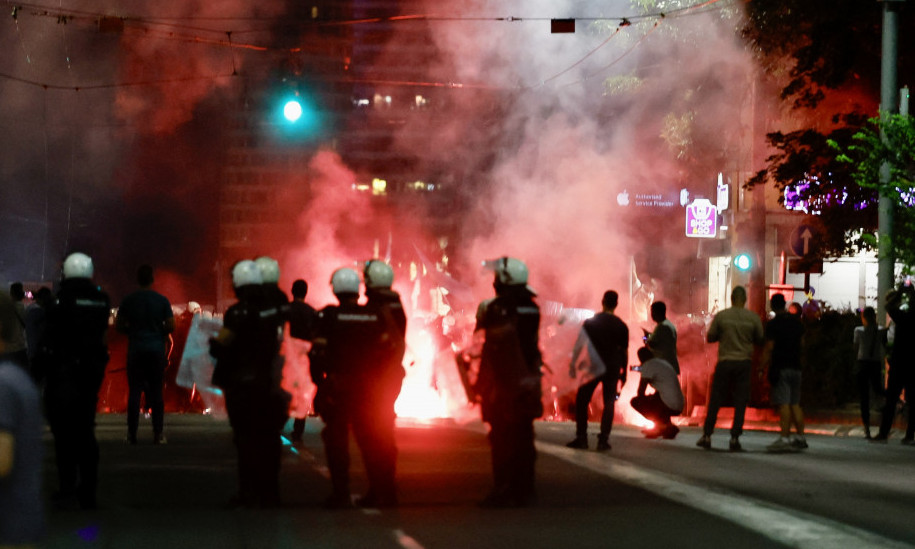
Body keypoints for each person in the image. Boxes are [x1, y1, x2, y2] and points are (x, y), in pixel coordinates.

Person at [209, 260, 289, 508]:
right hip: (271, 384)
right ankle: (272, 493)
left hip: (243, 386)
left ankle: (248, 492)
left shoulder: (236, 313)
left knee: (245, 441)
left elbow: (223, 345)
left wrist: (213, 344)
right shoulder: (275, 311)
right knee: (270, 439)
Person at [37, 252, 110, 509]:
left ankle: (67, 485)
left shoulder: (61, 301)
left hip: (64, 373)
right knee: (86, 430)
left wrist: (40, 373)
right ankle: (88, 489)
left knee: (63, 432)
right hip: (91, 372)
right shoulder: (102, 300)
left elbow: (50, 339)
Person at [309, 268, 387, 509]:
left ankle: (340, 493)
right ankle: (379, 491)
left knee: (337, 442)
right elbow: (385, 352)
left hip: (339, 388)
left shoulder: (329, 316)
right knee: (371, 441)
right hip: (369, 389)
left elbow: (317, 354)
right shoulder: (374, 315)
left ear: (335, 289)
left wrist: (320, 383)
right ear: (357, 289)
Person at [473, 257, 542, 507]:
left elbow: (488, 348)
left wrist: (480, 384)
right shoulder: (532, 307)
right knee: (524, 436)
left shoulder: (496, 308)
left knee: (501, 438)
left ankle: (503, 489)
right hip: (528, 382)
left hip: (503, 384)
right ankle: (526, 489)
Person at [358, 259, 407, 507]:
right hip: (391, 376)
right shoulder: (395, 305)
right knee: (384, 432)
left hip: (377, 378)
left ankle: (381, 488)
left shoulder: (377, 308)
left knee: (374, 435)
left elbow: (366, 344)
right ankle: (384, 486)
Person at [696, 285, 764, 452]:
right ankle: (734, 438)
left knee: (716, 398)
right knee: (740, 400)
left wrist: (724, 336)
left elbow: (710, 337)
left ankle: (707, 435)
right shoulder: (753, 318)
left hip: (725, 361)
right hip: (744, 363)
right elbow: (760, 339)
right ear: (745, 299)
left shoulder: (722, 316)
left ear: (732, 299)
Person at [0, 303, 45, 549]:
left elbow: (2, 460)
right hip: (22, 522)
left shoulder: (3, 385)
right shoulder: (17, 379)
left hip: (7, 528)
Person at [116, 265, 176, 445]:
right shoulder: (162, 301)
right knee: (157, 392)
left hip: (136, 350)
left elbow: (119, 326)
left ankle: (131, 433)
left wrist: (133, 331)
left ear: (138, 279)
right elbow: (171, 326)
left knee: (135, 391)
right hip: (156, 350)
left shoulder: (128, 301)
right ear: (152, 280)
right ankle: (158, 433)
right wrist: (158, 332)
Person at [566, 290, 628, 451]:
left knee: (582, 400)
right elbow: (624, 351)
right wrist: (624, 373)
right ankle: (603, 440)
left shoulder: (591, 322)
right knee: (609, 403)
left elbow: (580, 344)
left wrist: (573, 364)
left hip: (593, 366)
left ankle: (582, 438)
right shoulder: (621, 325)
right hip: (613, 367)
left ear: (603, 301)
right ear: (616, 304)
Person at [763, 293, 808, 452]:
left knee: (784, 403)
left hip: (781, 366)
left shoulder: (773, 325)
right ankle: (801, 437)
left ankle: (784, 438)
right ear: (785, 304)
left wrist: (762, 367)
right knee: (795, 403)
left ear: (773, 306)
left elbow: (769, 347)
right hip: (796, 366)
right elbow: (802, 344)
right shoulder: (796, 323)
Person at [872, 284, 915, 444]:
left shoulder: (902, 319)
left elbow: (889, 306)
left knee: (891, 400)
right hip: (912, 364)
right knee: (912, 401)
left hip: (899, 363)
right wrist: (912, 294)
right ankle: (909, 435)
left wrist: (900, 292)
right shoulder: (911, 317)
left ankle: (884, 433)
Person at [630, 347, 684, 439]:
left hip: (668, 404)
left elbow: (641, 391)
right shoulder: (662, 363)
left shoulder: (648, 365)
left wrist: (643, 372)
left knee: (636, 401)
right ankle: (668, 427)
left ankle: (659, 428)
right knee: (657, 397)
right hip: (679, 405)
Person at [288, 279, 317, 444]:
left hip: (286, 357)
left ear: (292, 291)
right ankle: (298, 430)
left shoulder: (284, 310)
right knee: (301, 394)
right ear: (305, 292)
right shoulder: (312, 312)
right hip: (304, 359)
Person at [853, 306, 886, 439]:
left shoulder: (858, 330)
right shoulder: (881, 330)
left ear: (863, 317)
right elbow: (884, 344)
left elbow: (855, 347)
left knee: (864, 397)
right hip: (875, 363)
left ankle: (866, 428)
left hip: (863, 363)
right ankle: (888, 403)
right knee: (878, 389)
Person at [24, 287, 52, 381]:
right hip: (43, 351)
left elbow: (30, 333)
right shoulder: (45, 312)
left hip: (35, 350)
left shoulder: (32, 311)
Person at [646, 301, 679, 375]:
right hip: (667, 364)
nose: (651, 315)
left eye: (652, 312)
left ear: (658, 312)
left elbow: (652, 344)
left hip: (664, 365)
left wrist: (645, 338)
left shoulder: (662, 326)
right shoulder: (667, 324)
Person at [3, 282, 29, 370]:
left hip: (8, 349)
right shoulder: (25, 308)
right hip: (21, 347)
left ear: (11, 293)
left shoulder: (6, 309)